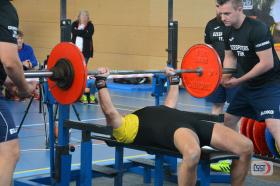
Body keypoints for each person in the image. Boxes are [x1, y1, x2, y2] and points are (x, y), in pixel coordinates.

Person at [95, 67, 253, 186]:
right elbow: (109, 110)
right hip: (177, 131)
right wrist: (101, 83)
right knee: (192, 154)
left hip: (190, 122)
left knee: (245, 147)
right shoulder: (122, 129)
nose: (113, 116)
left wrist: (174, 80)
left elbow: (169, 104)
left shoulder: (137, 115)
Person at [218, 0, 280, 152]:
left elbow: (266, 63)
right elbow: (230, 57)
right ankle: (235, 156)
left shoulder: (258, 29)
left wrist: (238, 80)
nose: (223, 18)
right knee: (229, 119)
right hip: (249, 85)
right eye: (221, 14)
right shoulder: (228, 30)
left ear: (240, 9)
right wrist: (226, 77)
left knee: (273, 125)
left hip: (269, 84)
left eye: (227, 13)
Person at [0, 0, 36, 185]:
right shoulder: (4, 8)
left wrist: (8, 82)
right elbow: (10, 62)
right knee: (10, 151)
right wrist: (23, 88)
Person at [204, 3, 241, 173]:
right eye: (218, 6)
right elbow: (207, 50)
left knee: (233, 113)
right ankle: (213, 144)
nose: (220, 11)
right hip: (215, 75)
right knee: (216, 108)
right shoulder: (211, 25)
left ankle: (234, 151)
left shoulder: (235, 24)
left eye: (224, 7)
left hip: (236, 75)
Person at [71, 10, 96, 104]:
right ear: (79, 17)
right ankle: (76, 92)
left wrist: (78, 32)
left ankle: (84, 94)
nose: (84, 18)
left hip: (85, 53)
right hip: (75, 52)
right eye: (82, 16)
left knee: (82, 71)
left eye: (86, 16)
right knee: (75, 71)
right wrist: (82, 32)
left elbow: (88, 34)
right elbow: (73, 31)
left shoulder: (90, 25)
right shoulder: (74, 23)